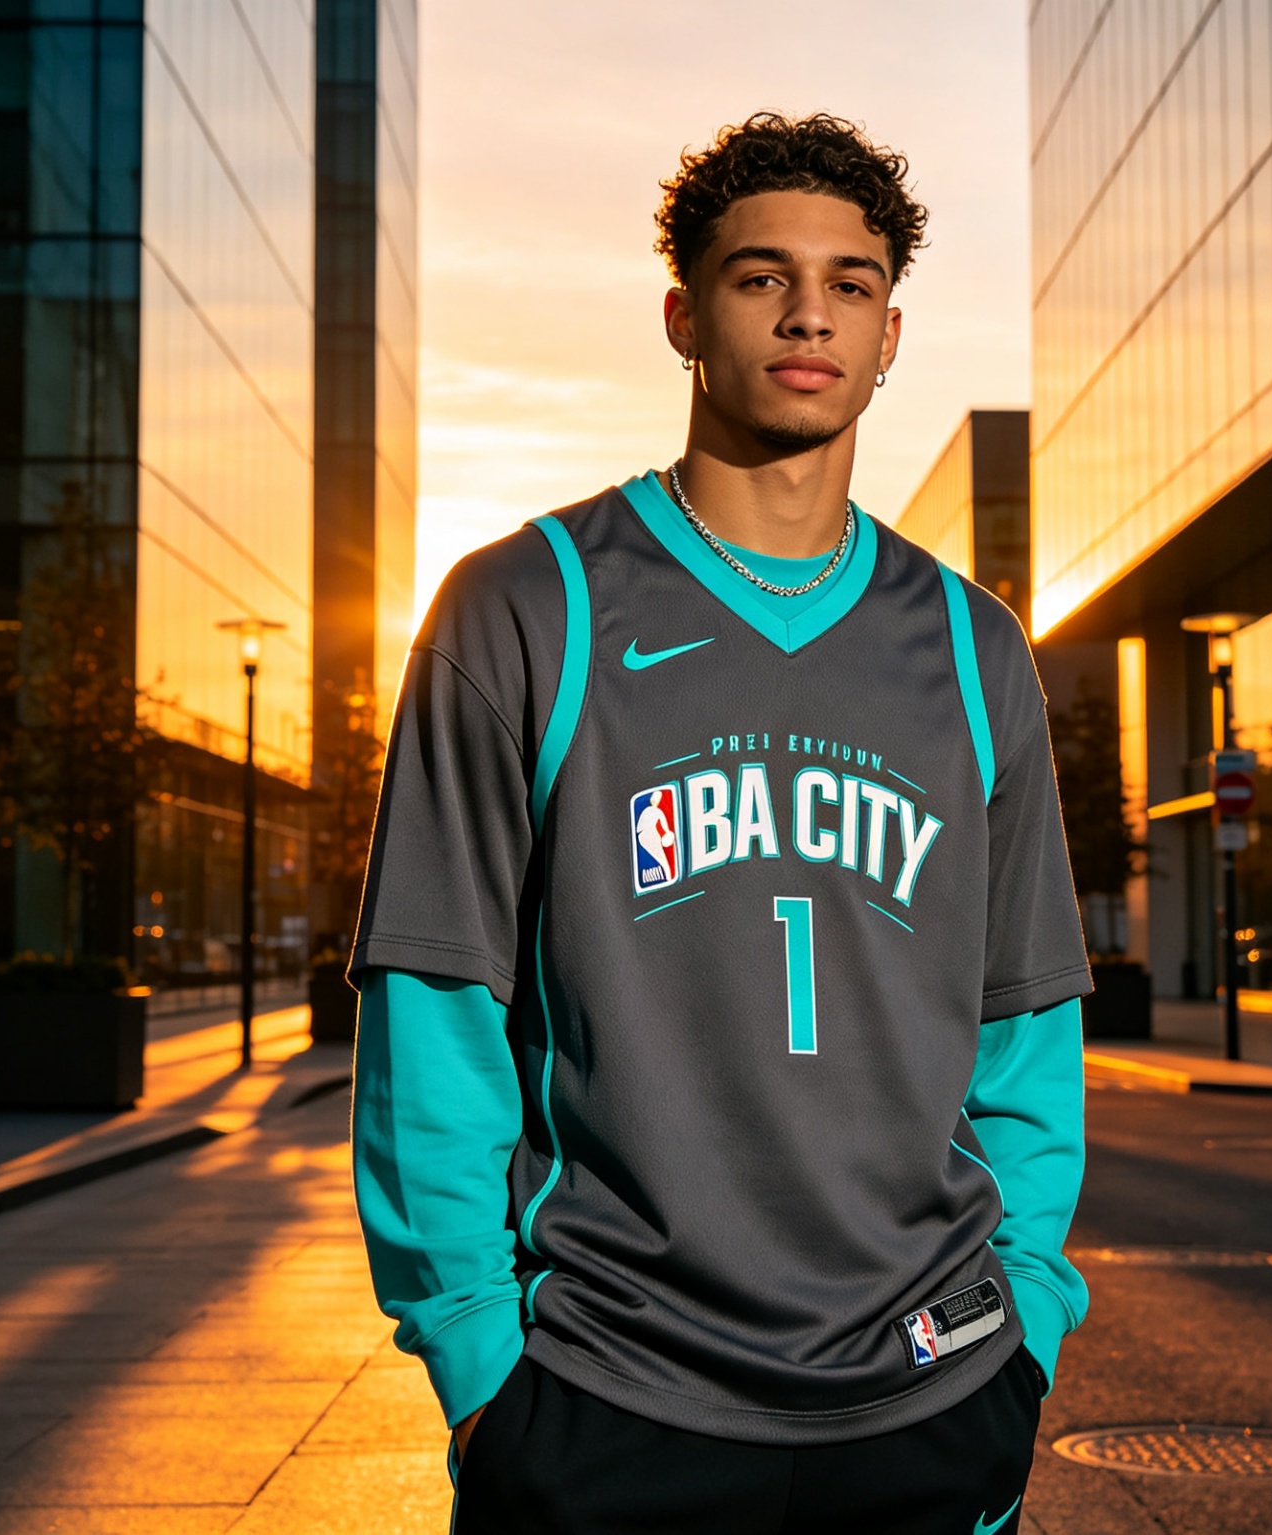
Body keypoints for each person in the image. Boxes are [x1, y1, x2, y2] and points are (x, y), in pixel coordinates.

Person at [350, 111, 1091, 1533]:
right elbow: (432, 1001)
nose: (809, 311)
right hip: (608, 1399)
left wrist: (1028, 1328)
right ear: (685, 314)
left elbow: (1024, 1020)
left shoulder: (970, 643)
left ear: (889, 332)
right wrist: (480, 1367)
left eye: (851, 283)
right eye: (760, 278)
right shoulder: (526, 604)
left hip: (931, 1397)